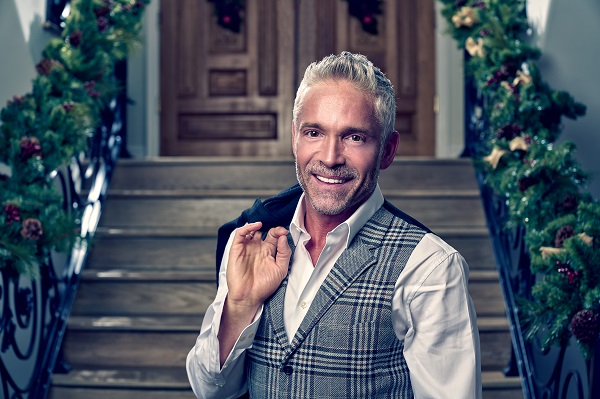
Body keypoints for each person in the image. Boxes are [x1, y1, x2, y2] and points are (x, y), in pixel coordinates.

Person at [186, 52, 482, 398]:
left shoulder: (430, 267)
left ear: (388, 150)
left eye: (354, 137)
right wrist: (239, 306)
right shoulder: (254, 241)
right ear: (295, 137)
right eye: (314, 133)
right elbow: (211, 391)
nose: (330, 157)